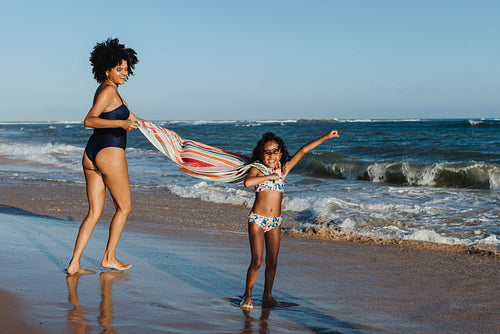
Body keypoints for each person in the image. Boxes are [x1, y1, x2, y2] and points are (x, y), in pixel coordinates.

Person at [67, 38, 143, 275]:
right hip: (109, 153)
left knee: (95, 212)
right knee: (124, 207)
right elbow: (89, 120)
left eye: (126, 69)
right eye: (119, 69)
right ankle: (109, 257)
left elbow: (129, 118)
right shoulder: (109, 90)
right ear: (107, 69)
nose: (124, 73)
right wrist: (121, 122)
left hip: (92, 154)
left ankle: (74, 264)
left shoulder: (107, 90)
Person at [240, 130, 339, 309]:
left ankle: (267, 296)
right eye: (267, 152)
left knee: (273, 262)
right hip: (257, 220)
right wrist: (270, 176)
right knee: (257, 261)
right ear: (261, 153)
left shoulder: (283, 169)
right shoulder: (258, 169)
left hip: (275, 221)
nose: (271, 155)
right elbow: (247, 183)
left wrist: (326, 136)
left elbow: (303, 150)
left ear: (281, 152)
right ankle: (247, 295)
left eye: (275, 151)